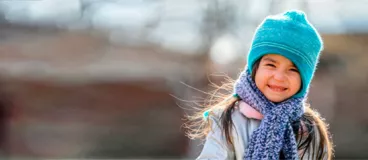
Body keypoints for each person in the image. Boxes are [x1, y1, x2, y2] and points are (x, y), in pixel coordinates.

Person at [185, 10, 334, 160]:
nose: (279, 76)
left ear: (304, 80)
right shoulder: (227, 120)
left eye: (293, 69)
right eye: (271, 65)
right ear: (254, 67)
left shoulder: (309, 130)